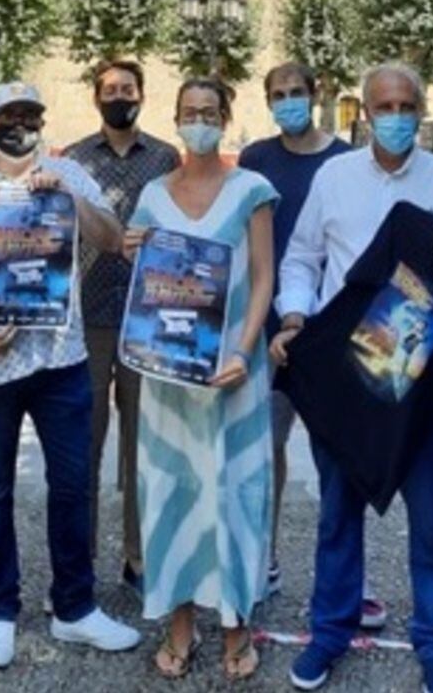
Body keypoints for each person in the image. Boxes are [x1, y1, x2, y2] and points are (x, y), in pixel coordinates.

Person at [271, 62, 433, 693]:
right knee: (338, 513)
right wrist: (293, 317)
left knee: (429, 520)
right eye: (383, 105)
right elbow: (303, 257)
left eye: (406, 105)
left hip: (422, 376)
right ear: (363, 112)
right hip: (346, 377)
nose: (395, 116)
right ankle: (330, 632)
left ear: (420, 111)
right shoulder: (333, 178)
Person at [0, 81, 139, 671]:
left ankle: (74, 606)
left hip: (61, 362)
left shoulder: (69, 174)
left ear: (43, 122)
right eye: (9, 116)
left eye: (31, 116)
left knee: (71, 486)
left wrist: (67, 194)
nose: (21, 125)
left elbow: (114, 241)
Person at [124, 76, 276, 681]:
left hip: (236, 370)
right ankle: (179, 621)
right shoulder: (153, 195)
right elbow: (148, 286)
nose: (199, 121)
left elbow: (263, 276)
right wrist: (134, 250)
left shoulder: (252, 189)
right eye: (189, 112)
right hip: (168, 376)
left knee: (237, 488)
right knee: (172, 490)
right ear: (176, 118)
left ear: (227, 116)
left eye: (210, 111)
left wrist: (243, 349)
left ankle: (237, 623)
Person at [237, 63, 364, 608]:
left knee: (344, 455)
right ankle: (261, 558)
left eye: (296, 93)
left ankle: (351, 581)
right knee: (265, 451)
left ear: (316, 96)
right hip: (267, 328)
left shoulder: (346, 163)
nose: (288, 102)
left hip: (332, 334)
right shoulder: (255, 159)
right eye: (278, 95)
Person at [65, 59, 180, 596]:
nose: (119, 97)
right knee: (82, 445)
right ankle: (80, 562)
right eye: (109, 90)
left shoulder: (164, 157)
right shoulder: (74, 159)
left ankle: (139, 559)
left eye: (127, 89)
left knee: (143, 446)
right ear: (96, 98)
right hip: (87, 317)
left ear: (142, 95)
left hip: (145, 316)